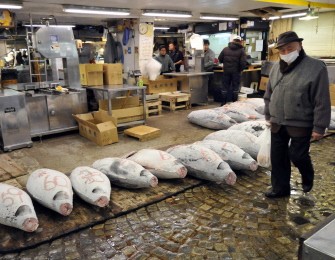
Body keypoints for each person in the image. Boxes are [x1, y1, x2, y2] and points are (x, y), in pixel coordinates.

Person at [264, 31, 331, 198]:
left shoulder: (316, 67)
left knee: (297, 155)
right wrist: (268, 114)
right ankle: (280, 189)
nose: (286, 53)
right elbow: (269, 93)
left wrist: (319, 126)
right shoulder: (275, 68)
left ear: (299, 46)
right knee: (277, 158)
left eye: (290, 48)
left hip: (301, 121)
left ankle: (307, 174)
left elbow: (322, 98)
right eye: (282, 50)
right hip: (277, 120)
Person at [218, 35, 247, 105]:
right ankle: (234, 103)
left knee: (225, 87)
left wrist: (225, 64)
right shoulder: (241, 50)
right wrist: (240, 70)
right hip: (236, 72)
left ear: (233, 41)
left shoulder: (225, 49)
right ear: (240, 42)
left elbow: (220, 59)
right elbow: (243, 63)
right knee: (235, 88)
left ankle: (223, 103)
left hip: (226, 71)